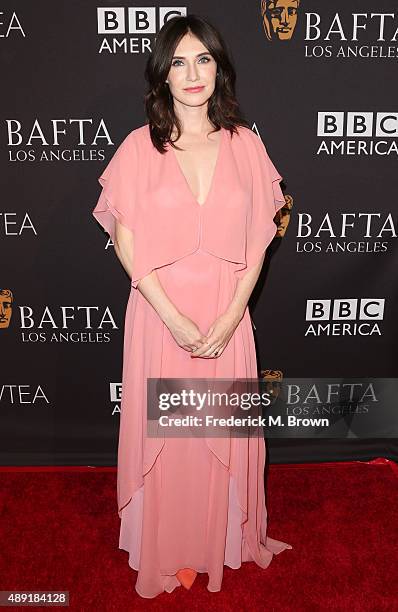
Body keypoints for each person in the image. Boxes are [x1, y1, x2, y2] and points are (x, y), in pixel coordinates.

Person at [92, 14, 292, 599]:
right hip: (161, 318)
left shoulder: (246, 144)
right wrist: (173, 317)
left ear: (219, 67)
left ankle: (219, 540)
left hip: (227, 317)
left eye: (203, 58)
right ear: (162, 74)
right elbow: (126, 244)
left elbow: (258, 240)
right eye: (178, 61)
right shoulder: (137, 147)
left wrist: (230, 318)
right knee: (171, 442)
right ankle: (170, 544)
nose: (192, 72)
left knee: (217, 436)